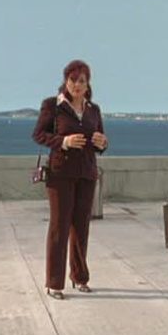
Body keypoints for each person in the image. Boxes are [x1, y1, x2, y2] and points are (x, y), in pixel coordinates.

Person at [32, 60, 108, 300]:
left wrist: (102, 143)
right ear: (66, 81)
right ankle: (55, 283)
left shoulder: (93, 110)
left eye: (82, 81)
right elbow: (39, 135)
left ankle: (80, 277)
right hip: (60, 174)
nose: (77, 85)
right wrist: (63, 142)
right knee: (59, 226)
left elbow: (101, 140)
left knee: (81, 227)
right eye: (73, 80)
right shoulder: (53, 106)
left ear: (88, 84)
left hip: (86, 173)